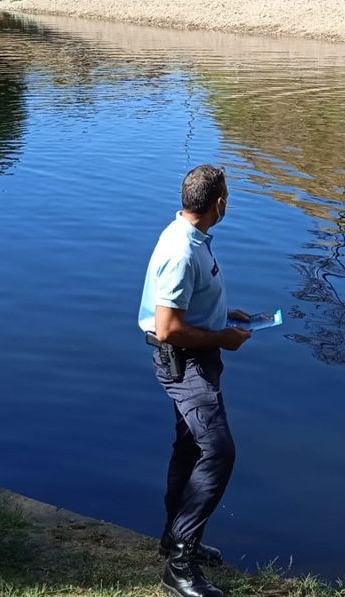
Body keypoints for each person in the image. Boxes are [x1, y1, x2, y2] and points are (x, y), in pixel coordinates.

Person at [138, 164, 253, 597]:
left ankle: (174, 536)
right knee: (219, 452)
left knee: (189, 447)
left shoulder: (190, 235)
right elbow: (166, 328)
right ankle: (180, 564)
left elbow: (186, 305)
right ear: (218, 203)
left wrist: (224, 315)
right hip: (184, 363)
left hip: (197, 354)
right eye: (228, 197)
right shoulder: (182, 250)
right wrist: (221, 337)